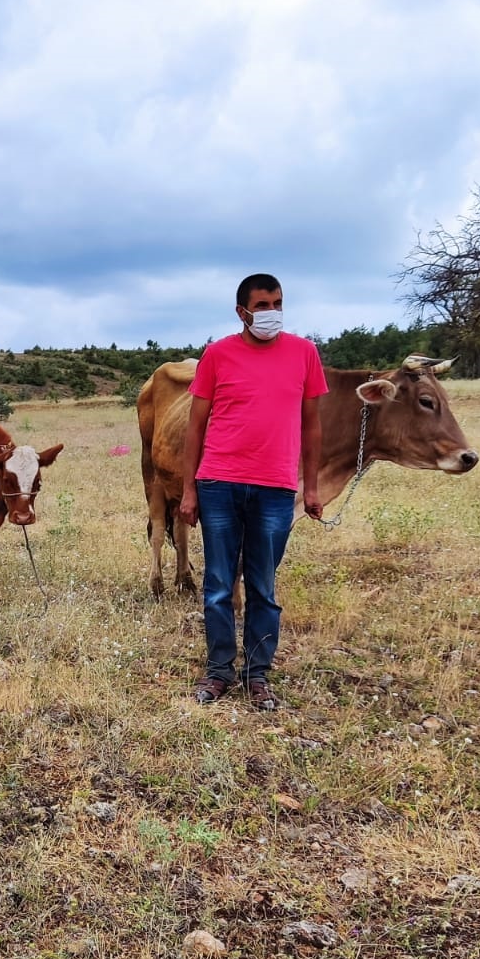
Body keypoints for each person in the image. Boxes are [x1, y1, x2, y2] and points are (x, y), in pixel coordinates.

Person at [177, 273, 327, 707]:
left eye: (277, 303)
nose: (271, 313)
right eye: (262, 306)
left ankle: (257, 675)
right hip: (219, 483)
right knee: (220, 584)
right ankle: (218, 672)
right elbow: (196, 426)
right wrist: (190, 490)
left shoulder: (304, 353)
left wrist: (310, 487)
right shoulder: (217, 354)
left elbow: (312, 425)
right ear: (241, 311)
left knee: (263, 586)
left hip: (276, 488)